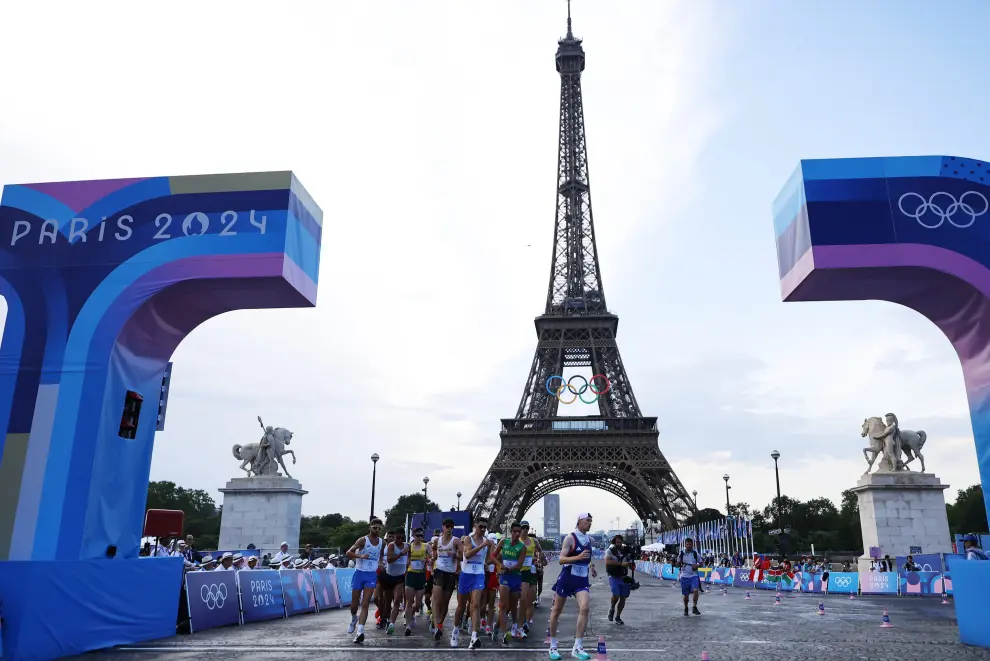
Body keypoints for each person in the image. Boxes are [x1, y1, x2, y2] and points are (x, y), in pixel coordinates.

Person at [548, 512, 594, 661]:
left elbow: (587, 557)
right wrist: (578, 558)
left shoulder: (588, 539)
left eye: (591, 521)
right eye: (587, 521)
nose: (589, 523)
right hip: (567, 578)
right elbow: (561, 559)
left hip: (581, 579)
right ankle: (553, 646)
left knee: (585, 607)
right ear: (579, 521)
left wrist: (591, 566)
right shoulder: (570, 538)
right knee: (556, 610)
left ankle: (577, 646)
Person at [452, 518, 494, 649]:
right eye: (480, 527)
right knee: (461, 606)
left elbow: (488, 559)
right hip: (466, 573)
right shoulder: (468, 539)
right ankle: (455, 631)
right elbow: (468, 554)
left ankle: (474, 636)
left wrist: (491, 562)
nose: (482, 529)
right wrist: (483, 545)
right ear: (475, 526)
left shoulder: (487, 542)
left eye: (485, 528)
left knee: (475, 604)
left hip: (479, 574)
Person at [345, 518, 384, 644]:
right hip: (359, 573)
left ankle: (360, 632)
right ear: (370, 527)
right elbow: (348, 553)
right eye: (374, 527)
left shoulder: (382, 542)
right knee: (354, 605)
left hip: (371, 575)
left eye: (379, 528)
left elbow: (381, 555)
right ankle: (353, 618)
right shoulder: (363, 540)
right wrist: (360, 556)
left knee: (365, 603)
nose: (377, 530)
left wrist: (380, 563)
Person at [494, 521, 528, 644]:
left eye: (519, 532)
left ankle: (510, 626)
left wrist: (508, 569)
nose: (517, 534)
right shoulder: (503, 542)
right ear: (511, 531)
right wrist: (500, 565)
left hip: (515, 577)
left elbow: (519, 565)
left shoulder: (523, 547)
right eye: (515, 531)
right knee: (503, 605)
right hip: (504, 577)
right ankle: (504, 633)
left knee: (513, 606)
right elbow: (493, 556)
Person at [431, 518, 461, 641]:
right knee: (437, 600)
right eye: (447, 526)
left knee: (445, 602)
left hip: (450, 574)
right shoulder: (437, 540)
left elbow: (463, 556)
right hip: (439, 572)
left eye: (451, 527)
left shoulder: (456, 541)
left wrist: (454, 555)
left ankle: (440, 623)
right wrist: (432, 560)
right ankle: (437, 626)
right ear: (443, 527)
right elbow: (434, 552)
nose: (449, 529)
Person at [403, 527, 432, 636]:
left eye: (421, 536)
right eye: (417, 535)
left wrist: (430, 560)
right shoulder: (409, 547)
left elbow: (431, 557)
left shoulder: (426, 546)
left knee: (418, 603)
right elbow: (404, 557)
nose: (420, 537)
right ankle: (408, 625)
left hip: (420, 575)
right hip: (411, 575)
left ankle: (412, 615)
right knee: (409, 601)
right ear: (413, 536)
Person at [519, 520, 544, 631]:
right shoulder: (516, 541)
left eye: (527, 528)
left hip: (531, 571)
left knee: (530, 601)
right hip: (520, 572)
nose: (525, 530)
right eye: (523, 528)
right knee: (522, 600)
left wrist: (538, 560)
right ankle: (520, 621)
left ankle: (526, 624)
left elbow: (540, 551)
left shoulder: (533, 540)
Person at [383, 528, 409, 635]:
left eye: (402, 538)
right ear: (394, 537)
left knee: (397, 600)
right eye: (398, 538)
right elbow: (389, 559)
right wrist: (401, 554)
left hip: (400, 576)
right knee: (388, 602)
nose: (400, 540)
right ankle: (388, 620)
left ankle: (392, 624)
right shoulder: (391, 546)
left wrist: (408, 565)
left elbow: (409, 558)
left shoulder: (407, 545)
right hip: (389, 576)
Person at [605, 534, 633, 625]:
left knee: (623, 598)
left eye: (620, 542)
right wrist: (621, 564)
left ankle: (618, 616)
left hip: (624, 577)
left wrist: (631, 564)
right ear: (614, 542)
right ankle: (612, 608)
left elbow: (630, 560)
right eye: (617, 542)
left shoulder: (626, 551)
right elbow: (607, 561)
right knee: (616, 595)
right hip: (613, 576)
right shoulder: (609, 551)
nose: (619, 544)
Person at [677, 537, 702, 617]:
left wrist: (697, 565)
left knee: (695, 590)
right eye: (687, 544)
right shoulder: (681, 554)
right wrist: (675, 563)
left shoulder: (695, 554)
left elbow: (701, 563)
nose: (689, 546)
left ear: (692, 545)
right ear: (685, 545)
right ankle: (686, 608)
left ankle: (694, 607)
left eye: (690, 544)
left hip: (694, 575)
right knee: (686, 595)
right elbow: (677, 564)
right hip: (684, 576)